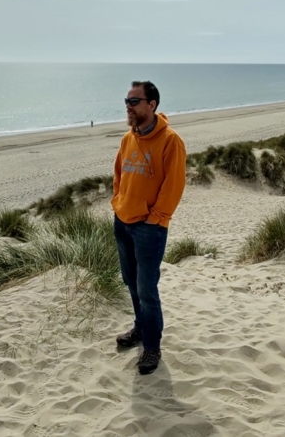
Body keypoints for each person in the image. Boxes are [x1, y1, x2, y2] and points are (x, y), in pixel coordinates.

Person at [111, 80, 186, 375]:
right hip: (123, 222)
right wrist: (117, 202)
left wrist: (155, 218)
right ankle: (140, 329)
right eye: (127, 101)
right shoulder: (128, 138)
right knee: (131, 282)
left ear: (151, 104)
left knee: (147, 289)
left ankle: (152, 346)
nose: (128, 107)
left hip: (149, 228)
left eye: (134, 101)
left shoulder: (170, 140)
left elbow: (174, 185)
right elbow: (118, 173)